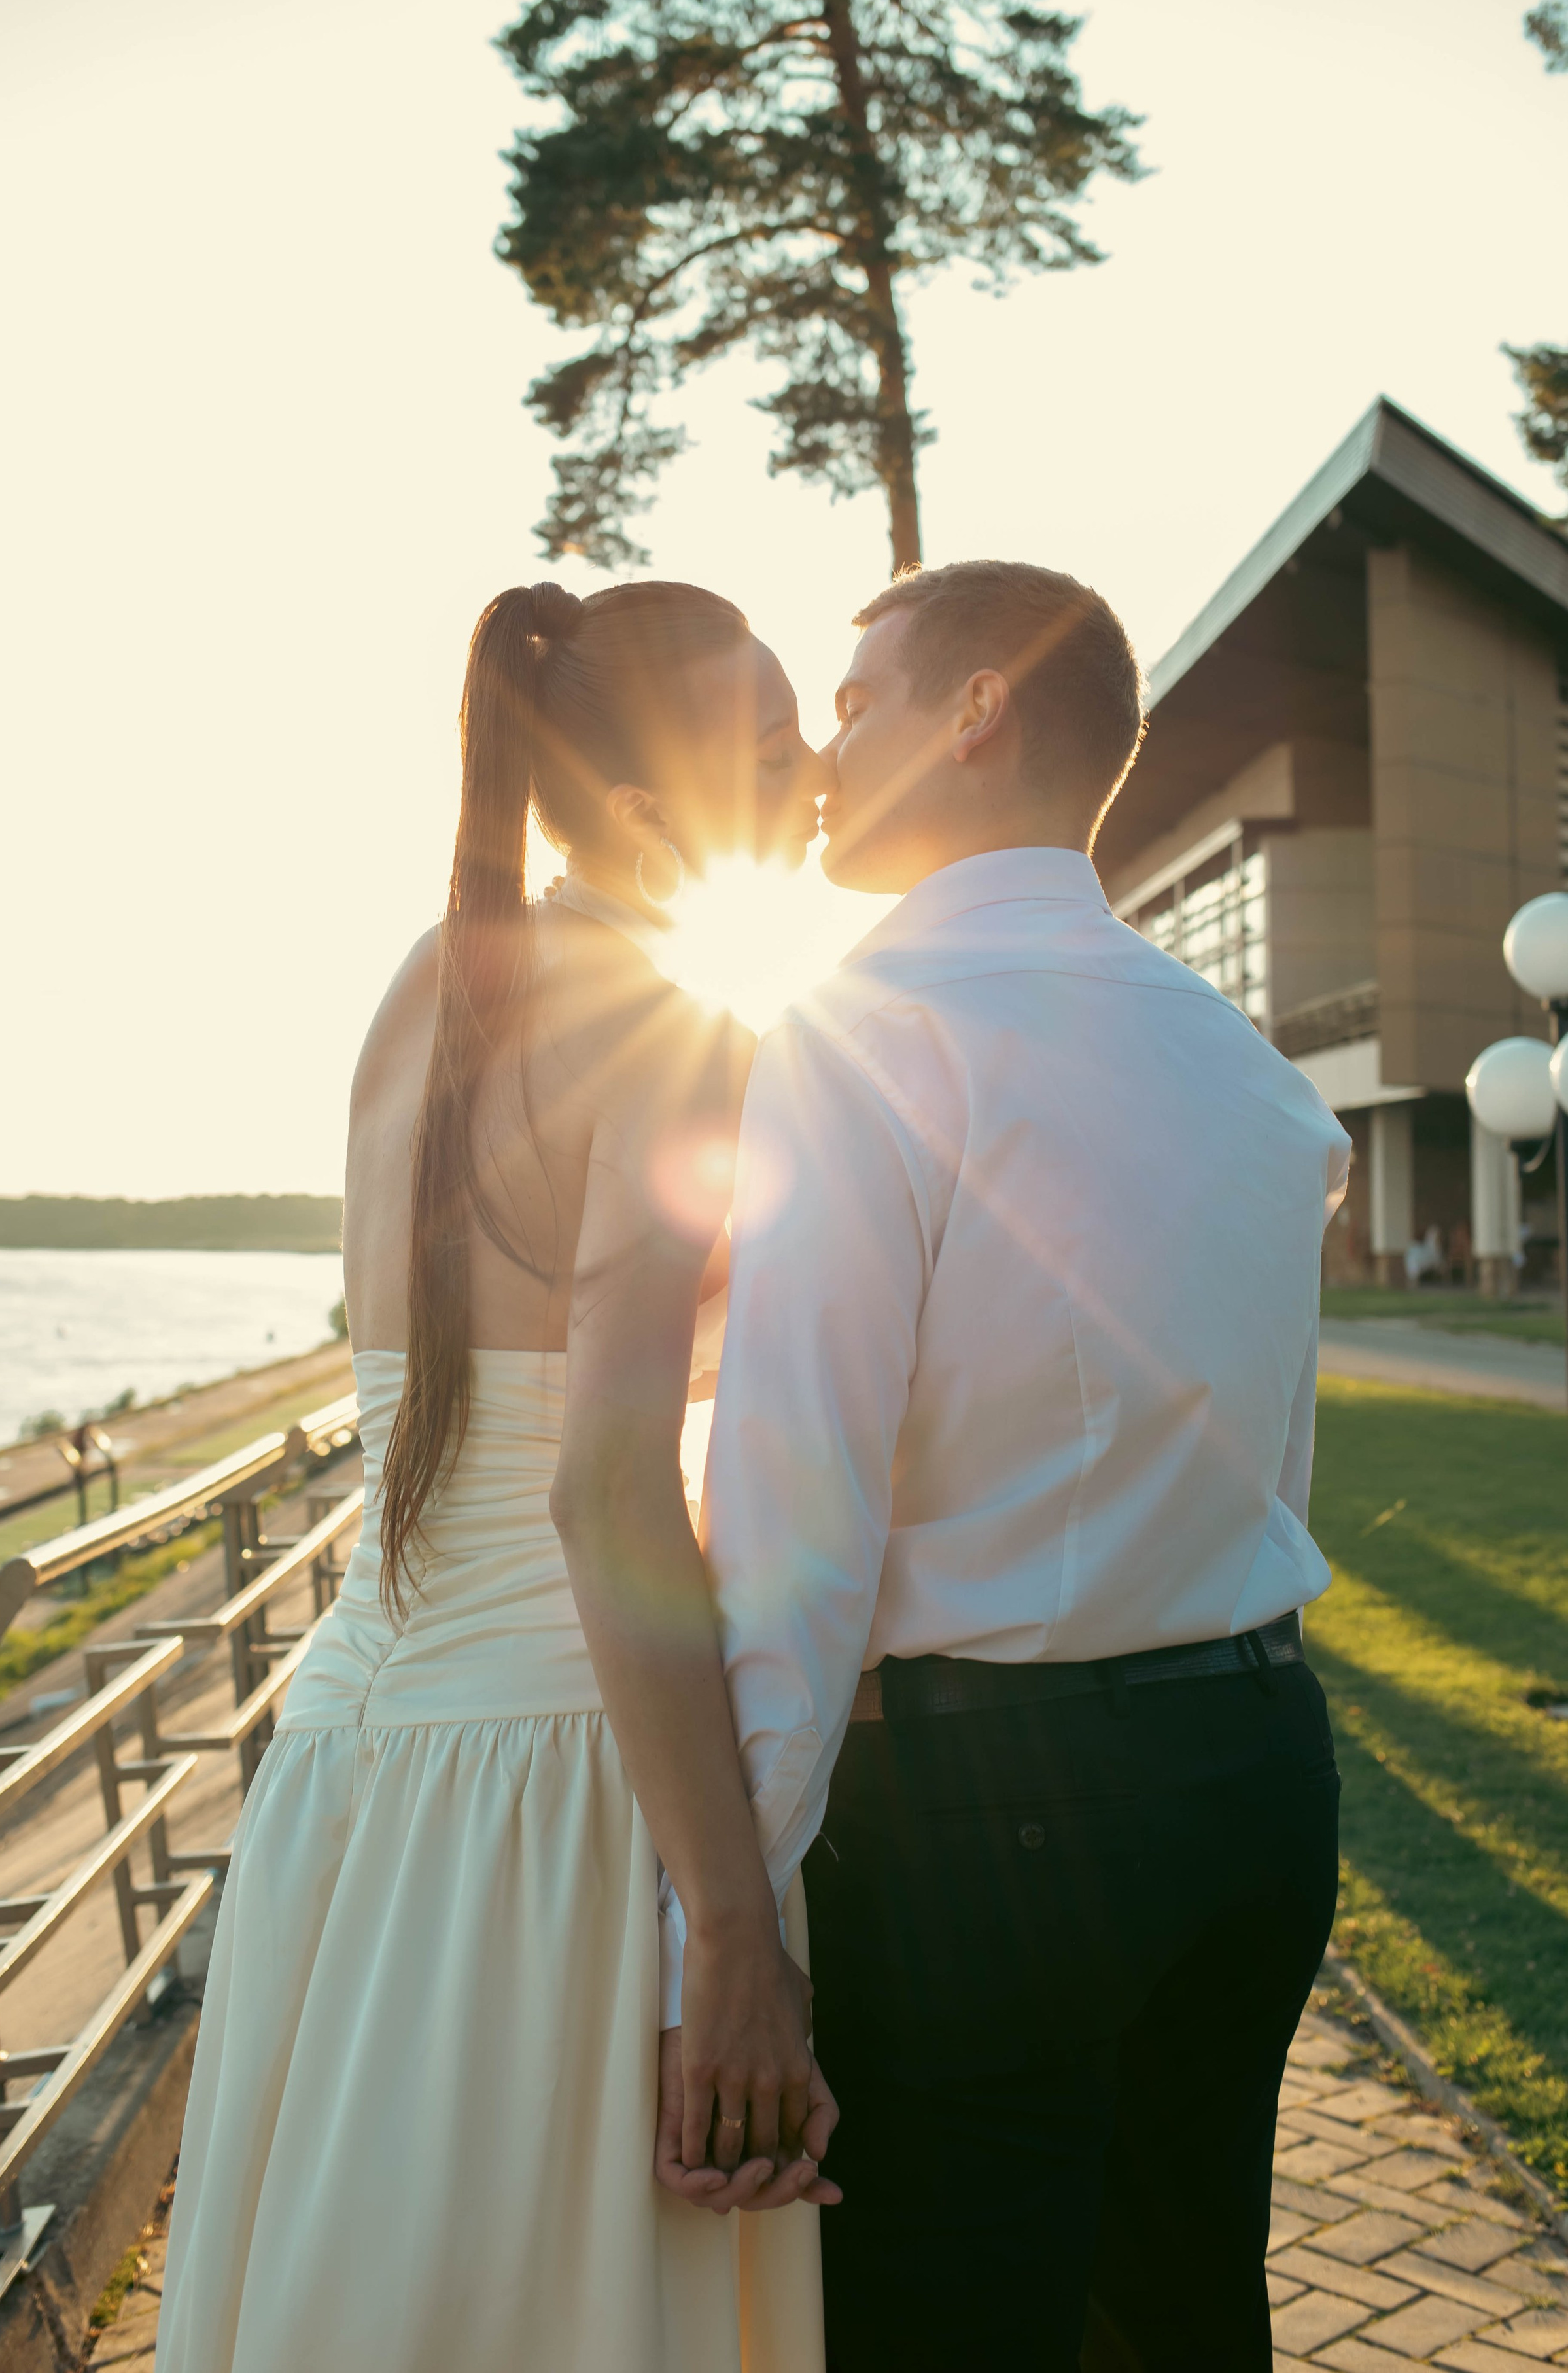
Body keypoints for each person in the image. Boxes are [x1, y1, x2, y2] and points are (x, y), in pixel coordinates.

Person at [156, 578, 837, 2373]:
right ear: (636, 813)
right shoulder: (680, 1032)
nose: (820, 770)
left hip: (347, 1766)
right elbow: (605, 1486)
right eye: (773, 750)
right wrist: (737, 1931)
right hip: (556, 1780)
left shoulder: (425, 986)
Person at [682, 560, 1351, 2369]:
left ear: (977, 709)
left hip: (999, 1814)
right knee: (1186, 2313)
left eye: (856, 704)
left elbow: (792, 1533)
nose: (822, 754)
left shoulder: (866, 1035)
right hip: (1260, 1775)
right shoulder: (1260, 1078)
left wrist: (731, 1936)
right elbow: (1268, 1469)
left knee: (951, 2329)